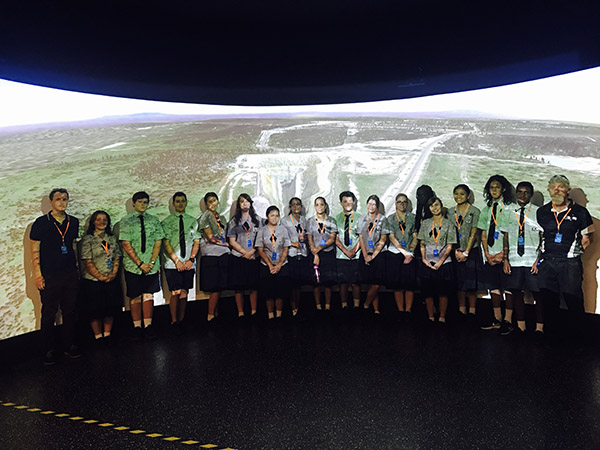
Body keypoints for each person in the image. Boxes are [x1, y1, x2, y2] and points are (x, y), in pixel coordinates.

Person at [536, 175, 594, 339]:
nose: (556, 189)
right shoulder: (542, 212)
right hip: (547, 262)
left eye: (560, 186)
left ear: (567, 190)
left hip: (570, 263)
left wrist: (574, 253)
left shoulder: (580, 212)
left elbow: (588, 238)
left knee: (573, 300)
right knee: (548, 300)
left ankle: (579, 337)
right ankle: (551, 336)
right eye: (553, 186)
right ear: (549, 190)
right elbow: (540, 238)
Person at [30, 188, 81, 365]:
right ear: (51, 202)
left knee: (70, 311)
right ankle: (48, 349)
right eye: (58, 199)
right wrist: (38, 274)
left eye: (65, 199)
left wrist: (77, 271)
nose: (62, 202)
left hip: (69, 274)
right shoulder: (41, 223)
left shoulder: (73, 222)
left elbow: (73, 246)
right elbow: (34, 249)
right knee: (49, 313)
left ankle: (69, 345)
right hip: (49, 276)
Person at [499, 182, 544, 336]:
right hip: (514, 260)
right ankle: (520, 326)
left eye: (526, 192)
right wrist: (505, 259)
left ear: (531, 195)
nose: (522, 195)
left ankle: (539, 327)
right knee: (516, 293)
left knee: (538, 294)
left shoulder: (538, 212)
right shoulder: (508, 211)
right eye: (519, 192)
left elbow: (542, 237)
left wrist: (538, 260)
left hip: (532, 261)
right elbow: (505, 235)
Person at [119, 191, 164, 340]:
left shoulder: (154, 220)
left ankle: (148, 325)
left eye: (145, 202)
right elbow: (126, 243)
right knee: (135, 296)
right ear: (133, 203)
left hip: (151, 265)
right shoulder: (125, 221)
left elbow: (158, 241)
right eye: (139, 202)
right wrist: (140, 264)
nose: (142, 204)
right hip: (133, 266)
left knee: (148, 295)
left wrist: (150, 262)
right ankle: (137, 327)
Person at [477, 175, 515, 329]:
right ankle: (497, 319)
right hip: (490, 255)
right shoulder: (486, 209)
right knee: (493, 287)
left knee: (508, 288)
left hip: (506, 256)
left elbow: (511, 233)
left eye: (497, 187)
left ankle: (508, 320)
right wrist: (487, 253)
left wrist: (502, 255)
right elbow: (484, 234)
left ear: (503, 189)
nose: (494, 190)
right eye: (491, 187)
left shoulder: (510, 208)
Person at [80, 210, 122, 343]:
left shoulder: (111, 238)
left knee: (110, 308)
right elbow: (87, 261)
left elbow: (116, 257)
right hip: (93, 281)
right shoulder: (88, 240)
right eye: (98, 219)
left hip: (111, 279)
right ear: (93, 222)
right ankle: (98, 337)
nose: (102, 222)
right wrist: (100, 277)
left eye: (104, 219)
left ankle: (107, 334)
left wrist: (113, 274)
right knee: (95, 311)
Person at [161, 192, 200, 334]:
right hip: (173, 263)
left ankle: (182, 320)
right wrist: (176, 261)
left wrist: (191, 259)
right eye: (177, 201)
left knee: (184, 291)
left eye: (183, 201)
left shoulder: (193, 221)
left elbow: (196, 241)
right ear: (173, 203)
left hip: (188, 262)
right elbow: (166, 244)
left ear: (186, 202)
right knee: (175, 291)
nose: (180, 203)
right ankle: (173, 320)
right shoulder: (166, 222)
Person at [418, 197, 457, 323]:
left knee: (443, 292)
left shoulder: (448, 224)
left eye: (436, 205)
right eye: (431, 206)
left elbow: (450, 245)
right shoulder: (425, 223)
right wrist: (424, 259)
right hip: (428, 262)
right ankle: (430, 316)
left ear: (441, 205)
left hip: (444, 263)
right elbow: (422, 243)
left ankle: (442, 317)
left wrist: (441, 261)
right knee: (427, 292)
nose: (434, 208)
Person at [227, 193, 262, 319]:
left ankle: (253, 311)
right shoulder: (234, 221)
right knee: (239, 287)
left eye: (247, 201)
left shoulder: (258, 220)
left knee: (253, 286)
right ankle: (240, 312)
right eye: (242, 201)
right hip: (238, 257)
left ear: (251, 203)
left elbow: (261, 239)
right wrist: (244, 252)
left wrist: (251, 252)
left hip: (253, 256)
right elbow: (232, 241)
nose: (245, 203)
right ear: (239, 205)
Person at [198, 192, 230, 322]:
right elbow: (211, 238)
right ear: (206, 204)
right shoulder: (204, 217)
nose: (212, 203)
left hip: (222, 254)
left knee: (220, 288)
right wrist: (226, 244)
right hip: (211, 255)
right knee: (215, 288)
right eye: (209, 201)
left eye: (214, 200)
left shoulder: (222, 218)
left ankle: (216, 315)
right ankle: (210, 316)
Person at [451, 184, 481, 321]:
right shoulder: (451, 212)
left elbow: (474, 233)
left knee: (471, 284)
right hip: (455, 252)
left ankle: (472, 312)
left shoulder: (474, 211)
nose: (459, 196)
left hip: (470, 251)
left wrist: (466, 252)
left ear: (468, 195)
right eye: (456, 193)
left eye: (462, 194)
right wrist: (456, 251)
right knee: (459, 283)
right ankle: (461, 310)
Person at [386, 193, 418, 319]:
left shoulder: (413, 218)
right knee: (397, 284)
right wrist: (403, 252)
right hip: (395, 253)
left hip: (410, 254)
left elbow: (415, 236)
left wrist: (410, 252)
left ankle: (408, 310)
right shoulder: (390, 218)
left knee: (409, 284)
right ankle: (400, 310)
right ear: (395, 204)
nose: (402, 204)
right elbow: (391, 237)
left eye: (404, 202)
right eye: (399, 202)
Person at [256, 205, 291, 319]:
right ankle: (270, 315)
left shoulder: (283, 229)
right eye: (272, 215)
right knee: (268, 292)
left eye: (277, 216)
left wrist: (280, 264)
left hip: (282, 265)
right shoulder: (262, 230)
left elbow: (286, 247)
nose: (275, 218)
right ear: (267, 217)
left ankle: (279, 314)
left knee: (280, 292)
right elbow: (260, 250)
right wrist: (270, 265)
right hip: (266, 265)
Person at [357, 195, 389, 315]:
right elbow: (361, 238)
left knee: (376, 284)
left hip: (378, 255)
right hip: (365, 254)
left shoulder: (383, 219)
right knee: (369, 282)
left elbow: (383, 239)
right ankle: (376, 309)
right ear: (366, 204)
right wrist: (366, 256)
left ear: (377, 206)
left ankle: (366, 305)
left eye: (374, 204)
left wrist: (373, 256)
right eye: (369, 204)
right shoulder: (361, 219)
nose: (371, 206)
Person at [306, 197, 338, 313]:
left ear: (325, 206)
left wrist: (319, 248)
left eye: (321, 204)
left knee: (328, 282)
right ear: (314, 206)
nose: (319, 207)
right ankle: (318, 307)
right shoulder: (310, 221)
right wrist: (315, 252)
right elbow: (309, 238)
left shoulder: (331, 220)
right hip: (314, 255)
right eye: (317, 204)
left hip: (327, 253)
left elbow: (332, 238)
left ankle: (328, 307)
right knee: (316, 282)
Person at [281, 197, 311, 317]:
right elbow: (282, 237)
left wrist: (305, 240)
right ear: (290, 207)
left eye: (298, 204)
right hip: (291, 254)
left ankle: (298, 308)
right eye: (293, 205)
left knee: (299, 284)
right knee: (292, 284)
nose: (296, 207)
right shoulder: (285, 221)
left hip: (303, 254)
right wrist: (293, 243)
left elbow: (309, 236)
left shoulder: (305, 220)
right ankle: (292, 308)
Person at [335, 191, 362, 310]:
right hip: (341, 255)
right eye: (345, 201)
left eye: (350, 201)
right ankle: (344, 305)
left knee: (356, 282)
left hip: (356, 255)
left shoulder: (360, 218)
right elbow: (334, 238)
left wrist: (354, 251)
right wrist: (345, 251)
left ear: (354, 202)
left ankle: (356, 306)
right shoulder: (336, 218)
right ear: (341, 203)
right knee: (343, 282)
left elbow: (362, 237)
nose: (348, 204)